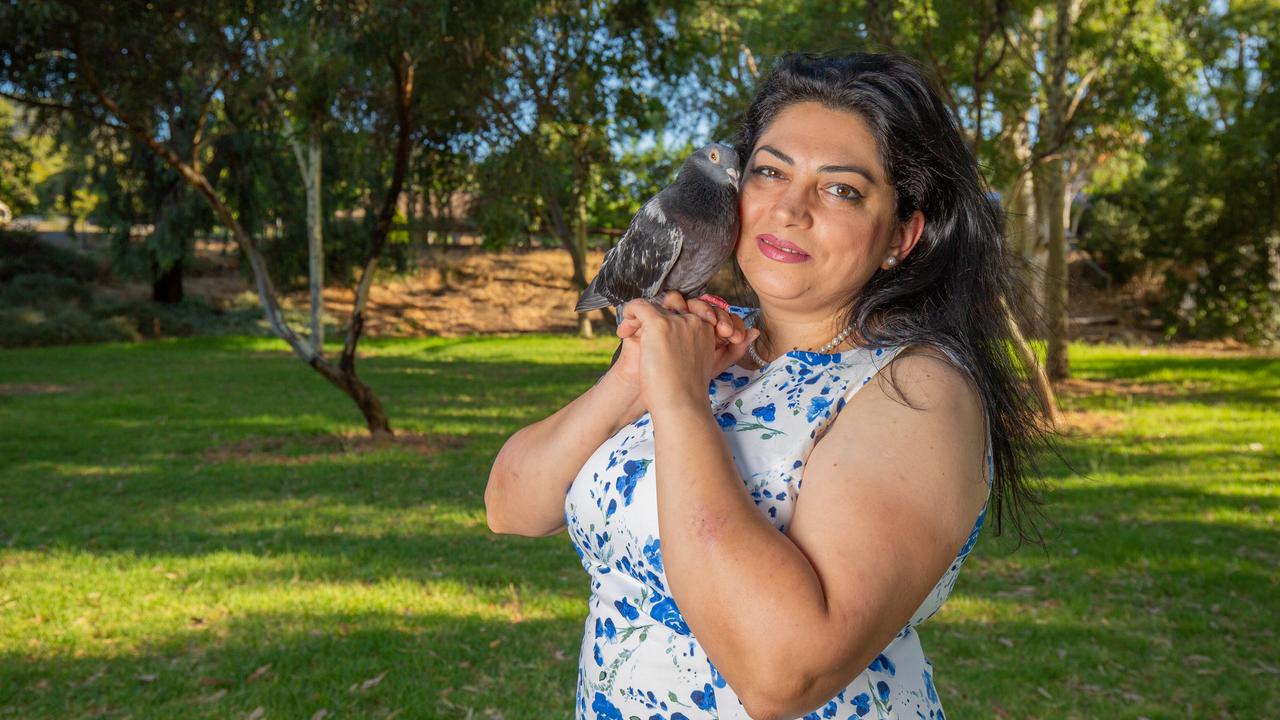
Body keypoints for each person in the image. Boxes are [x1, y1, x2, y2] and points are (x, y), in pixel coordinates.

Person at [486, 52, 1047, 720]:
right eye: (770, 172)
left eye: (841, 189)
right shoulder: (707, 341)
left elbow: (783, 672)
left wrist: (678, 402)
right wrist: (634, 379)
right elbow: (511, 508)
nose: (789, 208)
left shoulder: (916, 391)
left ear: (901, 235)